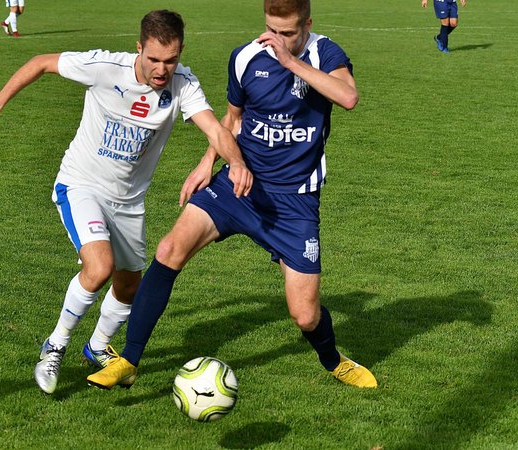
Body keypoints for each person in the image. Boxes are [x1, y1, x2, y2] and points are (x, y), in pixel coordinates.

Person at [87, 0, 378, 391]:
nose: (277, 40)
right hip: (238, 186)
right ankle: (129, 360)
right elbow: (233, 120)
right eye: (272, 30)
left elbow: (348, 96)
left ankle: (334, 361)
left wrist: (291, 62)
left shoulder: (325, 53)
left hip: (294, 203)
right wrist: (207, 161)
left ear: (307, 23)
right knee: (170, 248)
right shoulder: (245, 58)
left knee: (305, 316)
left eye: (288, 33)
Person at [0, 9, 252, 395]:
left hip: (129, 203)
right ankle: (55, 346)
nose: (162, 69)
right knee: (99, 267)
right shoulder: (104, 67)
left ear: (181, 53)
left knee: (129, 285)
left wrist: (236, 162)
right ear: (139, 48)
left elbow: (215, 129)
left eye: (170, 60)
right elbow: (41, 62)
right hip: (81, 185)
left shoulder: (183, 84)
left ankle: (98, 346)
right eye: (154, 59)